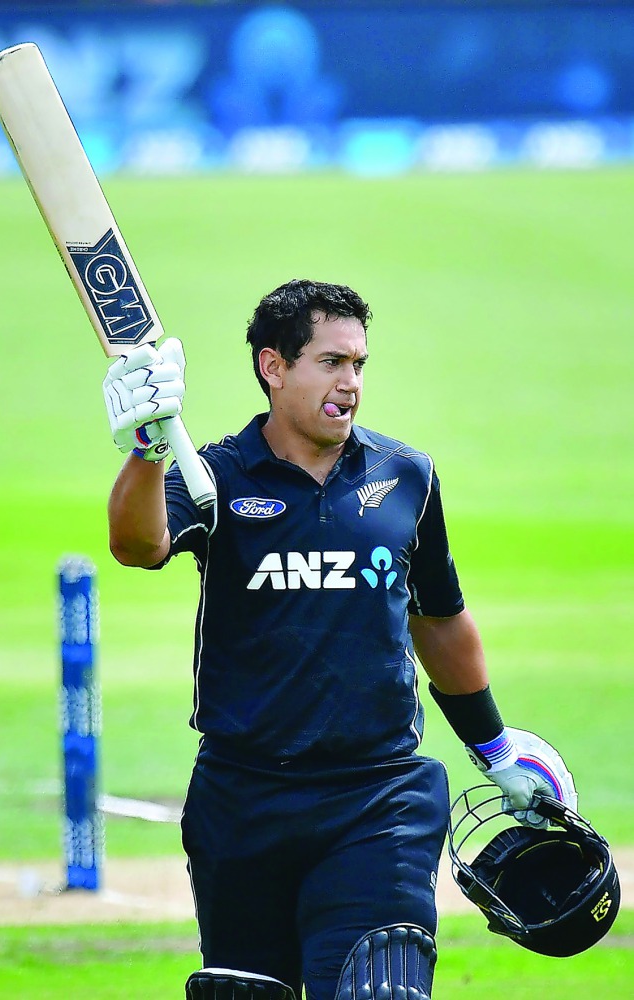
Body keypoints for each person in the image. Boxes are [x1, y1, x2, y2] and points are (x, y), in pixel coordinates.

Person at [104, 279, 576, 1000]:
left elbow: (438, 619)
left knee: (379, 986)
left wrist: (494, 747)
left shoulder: (404, 476)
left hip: (376, 795)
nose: (350, 383)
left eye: (358, 364)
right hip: (243, 799)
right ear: (274, 367)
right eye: (330, 362)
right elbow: (138, 546)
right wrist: (145, 449)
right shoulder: (215, 475)